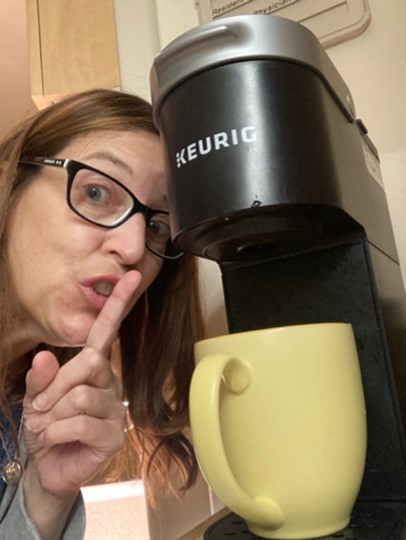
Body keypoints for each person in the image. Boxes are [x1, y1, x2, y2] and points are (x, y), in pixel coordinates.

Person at [0, 88, 204, 538]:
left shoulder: (36, 406)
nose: (133, 248)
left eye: (156, 226)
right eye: (97, 192)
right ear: (11, 185)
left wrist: (46, 496)